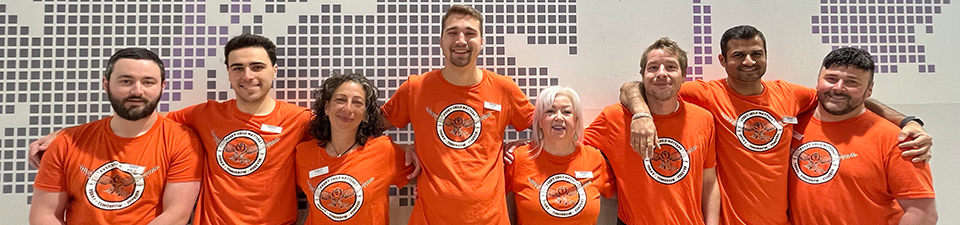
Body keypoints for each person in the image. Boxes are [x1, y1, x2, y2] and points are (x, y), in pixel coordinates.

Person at [618, 25, 933, 225]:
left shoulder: (792, 95)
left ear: (766, 56)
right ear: (722, 60)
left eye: (756, 53)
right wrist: (642, 114)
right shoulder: (704, 94)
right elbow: (636, 87)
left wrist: (907, 121)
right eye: (738, 55)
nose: (748, 61)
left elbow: (842, 98)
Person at [29, 34, 315, 224]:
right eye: (238, 67)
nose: (247, 75)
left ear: (274, 70)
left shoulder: (300, 120)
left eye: (257, 67)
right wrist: (64, 135)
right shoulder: (204, 114)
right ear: (228, 72)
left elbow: (339, 140)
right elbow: (140, 114)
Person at [379, 4, 535, 225]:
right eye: (453, 33)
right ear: (441, 41)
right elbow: (364, 130)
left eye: (470, 33)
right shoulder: (416, 88)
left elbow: (550, 129)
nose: (461, 40)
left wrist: (526, 147)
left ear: (481, 42)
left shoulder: (504, 89)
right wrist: (402, 149)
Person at [29, 48, 203, 224]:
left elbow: (176, 215)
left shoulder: (183, 141)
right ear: (106, 84)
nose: (137, 91)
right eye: (126, 81)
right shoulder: (65, 143)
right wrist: (64, 135)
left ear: (162, 87)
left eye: (148, 82)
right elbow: (45, 215)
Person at [788, 47, 937, 224]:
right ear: (818, 81)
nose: (838, 88)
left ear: (869, 90)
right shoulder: (791, 124)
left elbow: (923, 214)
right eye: (831, 79)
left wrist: (909, 122)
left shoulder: (897, 140)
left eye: (851, 82)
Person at [584, 37, 719, 225]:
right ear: (642, 75)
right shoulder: (614, 117)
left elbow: (709, 182)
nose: (661, 73)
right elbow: (573, 152)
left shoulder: (703, 119)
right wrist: (607, 183)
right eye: (653, 67)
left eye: (671, 67)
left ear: (684, 75)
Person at [295, 73, 415, 224]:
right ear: (326, 107)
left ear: (365, 115)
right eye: (340, 100)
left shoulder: (384, 151)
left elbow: (426, 177)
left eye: (357, 103)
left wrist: (414, 149)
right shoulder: (303, 154)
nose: (348, 108)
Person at [505, 86, 614, 224]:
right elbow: (489, 198)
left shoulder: (594, 158)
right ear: (539, 121)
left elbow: (625, 195)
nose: (558, 117)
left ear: (576, 120)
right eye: (550, 111)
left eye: (566, 112)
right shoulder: (518, 158)